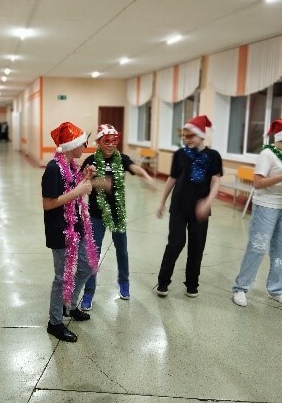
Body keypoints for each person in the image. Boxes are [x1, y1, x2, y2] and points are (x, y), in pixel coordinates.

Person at [232, 118, 282, 307]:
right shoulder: (267, 154)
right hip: (266, 207)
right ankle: (240, 288)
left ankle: (277, 289)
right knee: (258, 247)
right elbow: (257, 183)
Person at [79, 124, 157, 310]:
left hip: (117, 214)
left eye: (114, 141)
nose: (111, 144)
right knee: (93, 254)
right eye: (106, 141)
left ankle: (124, 282)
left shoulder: (121, 159)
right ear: (99, 142)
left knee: (122, 251)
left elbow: (134, 168)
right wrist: (98, 182)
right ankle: (89, 292)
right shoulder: (91, 160)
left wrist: (147, 176)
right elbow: (81, 182)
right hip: (97, 215)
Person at [41, 122, 99, 342]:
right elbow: (48, 203)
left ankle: (69, 305)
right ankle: (55, 322)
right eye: (83, 142)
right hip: (60, 231)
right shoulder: (53, 169)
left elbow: (72, 189)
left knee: (87, 266)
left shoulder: (72, 165)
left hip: (76, 226)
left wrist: (85, 178)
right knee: (62, 277)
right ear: (71, 145)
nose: (86, 146)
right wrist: (79, 190)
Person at [155, 115, 223, 298]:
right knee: (175, 243)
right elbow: (172, 178)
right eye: (185, 136)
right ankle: (163, 282)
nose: (187, 139)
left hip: (200, 210)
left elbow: (216, 181)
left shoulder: (213, 156)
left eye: (191, 136)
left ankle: (192, 284)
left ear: (201, 135)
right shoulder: (180, 154)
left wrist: (207, 202)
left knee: (197, 246)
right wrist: (162, 201)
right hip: (179, 206)